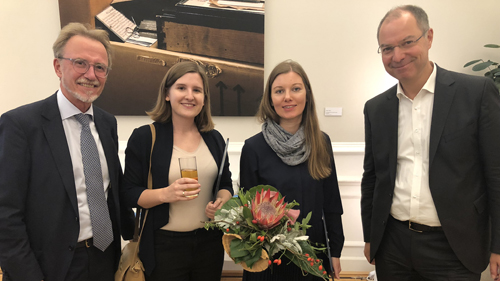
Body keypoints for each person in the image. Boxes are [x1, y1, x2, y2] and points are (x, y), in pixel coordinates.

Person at [361, 5, 500, 281]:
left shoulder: (476, 94)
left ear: (429, 37)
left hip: (454, 248)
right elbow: (373, 179)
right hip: (393, 246)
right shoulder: (376, 108)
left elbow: (496, 175)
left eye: (407, 42)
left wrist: (498, 245)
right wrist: (370, 237)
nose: (397, 55)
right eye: (387, 48)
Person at [0, 23, 135, 281]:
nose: (91, 74)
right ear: (58, 67)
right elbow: (5, 214)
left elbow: (111, 190)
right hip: (48, 266)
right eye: (80, 63)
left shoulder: (107, 123)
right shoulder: (21, 125)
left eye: (100, 67)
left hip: (104, 257)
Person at [122, 61, 234, 281]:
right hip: (163, 246)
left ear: (204, 98)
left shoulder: (215, 138)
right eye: (181, 88)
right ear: (167, 94)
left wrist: (222, 201)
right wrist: (166, 194)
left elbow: (225, 185)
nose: (189, 96)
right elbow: (129, 193)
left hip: (210, 244)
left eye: (197, 90)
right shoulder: (145, 137)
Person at [239, 60, 344, 281]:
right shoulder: (253, 148)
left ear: (307, 95)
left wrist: (335, 251)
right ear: (270, 99)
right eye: (279, 91)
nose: (288, 97)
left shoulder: (322, 143)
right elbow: (246, 216)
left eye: (295, 89)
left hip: (312, 256)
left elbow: (332, 204)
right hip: (268, 257)